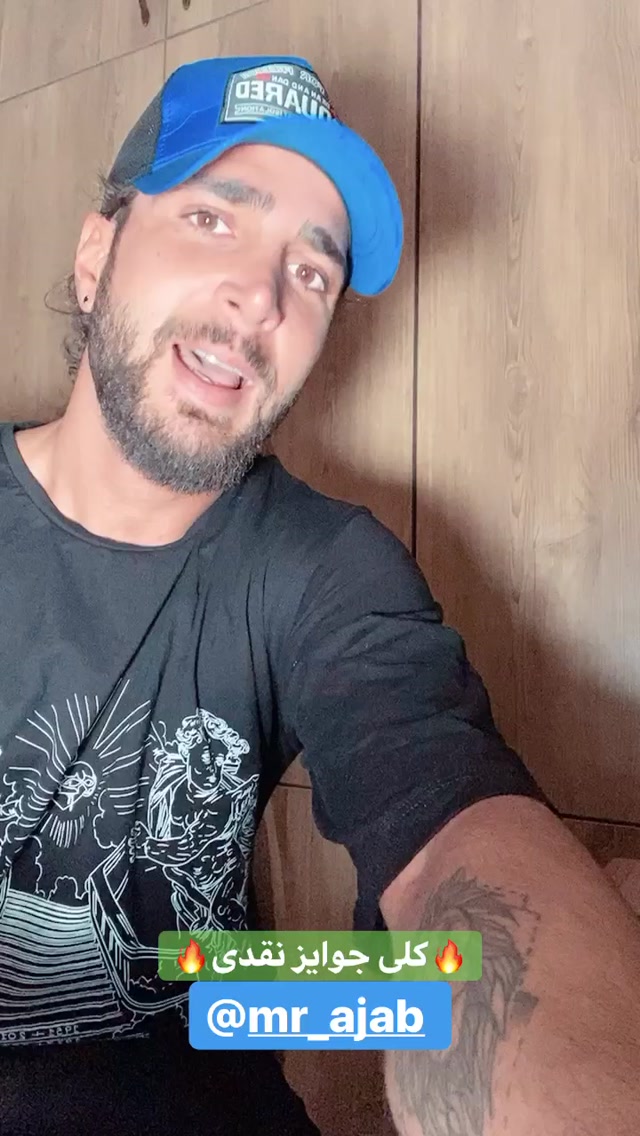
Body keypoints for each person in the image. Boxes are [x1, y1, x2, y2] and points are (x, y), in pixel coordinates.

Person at [0, 51, 638, 1136]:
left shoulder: (325, 568)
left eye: (311, 271)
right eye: (213, 218)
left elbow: (446, 841)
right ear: (97, 255)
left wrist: (549, 1001)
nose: (261, 295)